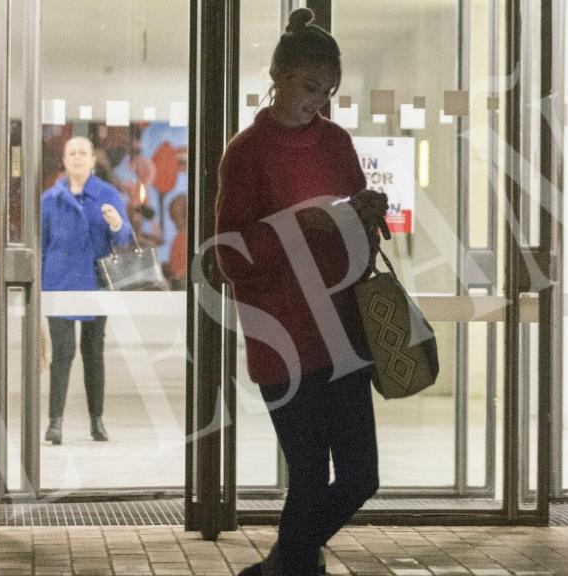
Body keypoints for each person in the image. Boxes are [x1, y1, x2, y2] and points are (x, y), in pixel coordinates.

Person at [214, 8, 388, 576]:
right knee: (310, 477)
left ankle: (277, 568)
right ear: (279, 76)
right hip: (283, 339)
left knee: (361, 477)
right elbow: (227, 257)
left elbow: (361, 225)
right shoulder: (246, 153)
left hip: (343, 329)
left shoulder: (336, 143)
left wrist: (369, 210)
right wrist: (297, 227)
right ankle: (290, 567)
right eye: (312, 86)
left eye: (329, 91)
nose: (318, 100)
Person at [41, 136, 133, 445]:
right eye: (72, 153)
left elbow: (124, 239)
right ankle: (55, 422)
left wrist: (117, 223)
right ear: (64, 160)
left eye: (83, 153)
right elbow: (41, 245)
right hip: (59, 284)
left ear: (93, 160)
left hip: (96, 284)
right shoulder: (50, 199)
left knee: (94, 353)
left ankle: (97, 420)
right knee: (62, 354)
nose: (78, 158)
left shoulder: (107, 194)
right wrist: (39, 289)